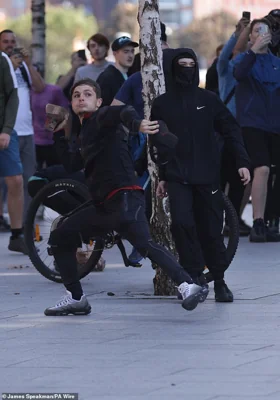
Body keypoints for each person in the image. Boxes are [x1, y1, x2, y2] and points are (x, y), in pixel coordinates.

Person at [44, 78, 207, 316]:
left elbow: (122, 112)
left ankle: (188, 285)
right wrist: (58, 135)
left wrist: (137, 123)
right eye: (77, 95)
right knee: (60, 236)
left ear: (98, 101)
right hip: (103, 204)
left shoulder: (102, 117)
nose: (81, 98)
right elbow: (72, 164)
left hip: (124, 198)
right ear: (72, 103)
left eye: (87, 94)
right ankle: (76, 298)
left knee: (144, 244)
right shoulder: (86, 132)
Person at [152, 48, 251, 303]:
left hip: (207, 175)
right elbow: (159, 142)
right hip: (177, 176)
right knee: (181, 224)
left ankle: (219, 280)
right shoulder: (161, 103)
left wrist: (242, 162)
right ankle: (194, 277)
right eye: (181, 64)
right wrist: (163, 175)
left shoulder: (209, 99)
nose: (186, 68)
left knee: (211, 229)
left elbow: (231, 130)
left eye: (190, 64)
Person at [233, 19, 280, 242]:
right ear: (250, 36)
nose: (261, 34)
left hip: (275, 126)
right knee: (261, 169)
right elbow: (238, 74)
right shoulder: (245, 59)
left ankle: (271, 220)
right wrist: (252, 51)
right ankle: (258, 222)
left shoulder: (276, 63)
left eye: (265, 31)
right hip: (252, 124)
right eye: (257, 31)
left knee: (273, 173)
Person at [0, 29, 45, 223]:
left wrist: (27, 63)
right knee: (6, 180)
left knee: (27, 179)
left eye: (12, 41)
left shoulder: (23, 66)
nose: (10, 44)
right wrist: (10, 64)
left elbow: (40, 87)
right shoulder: (3, 64)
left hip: (27, 131)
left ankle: (25, 222)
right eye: (5, 41)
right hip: (8, 131)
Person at [217, 17, 251, 236]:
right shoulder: (225, 70)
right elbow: (223, 57)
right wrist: (236, 34)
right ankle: (218, 219)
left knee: (240, 178)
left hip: (244, 130)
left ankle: (234, 219)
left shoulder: (249, 73)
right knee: (219, 176)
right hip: (223, 132)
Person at [0, 50, 26, 252]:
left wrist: (7, 130)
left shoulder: (3, 60)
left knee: (15, 180)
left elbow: (13, 96)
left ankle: (17, 236)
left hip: (4, 131)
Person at [32, 65, 69, 169]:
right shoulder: (28, 92)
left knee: (54, 172)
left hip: (53, 141)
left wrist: (49, 127)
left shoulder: (53, 90)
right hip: (34, 141)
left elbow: (63, 108)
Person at [97, 36, 138, 106]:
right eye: (126, 52)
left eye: (132, 51)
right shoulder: (106, 78)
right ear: (115, 54)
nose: (130, 55)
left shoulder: (131, 75)